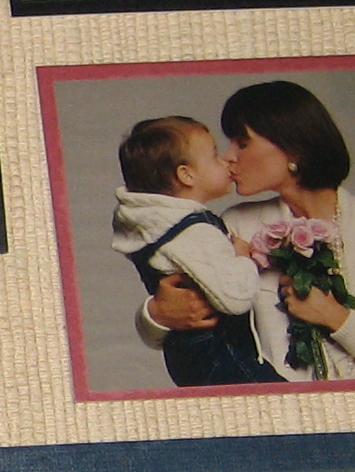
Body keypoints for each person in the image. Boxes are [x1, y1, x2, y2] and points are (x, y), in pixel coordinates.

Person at [141, 80, 355, 380]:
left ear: (291, 147)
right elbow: (197, 338)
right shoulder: (235, 227)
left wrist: (336, 318)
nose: (228, 157)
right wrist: (155, 314)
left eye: (243, 142)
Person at [110, 115, 288, 387]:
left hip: (186, 357)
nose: (226, 160)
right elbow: (235, 298)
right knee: (284, 402)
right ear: (186, 175)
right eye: (215, 155)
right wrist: (244, 259)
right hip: (222, 355)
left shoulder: (159, 226)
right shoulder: (196, 233)